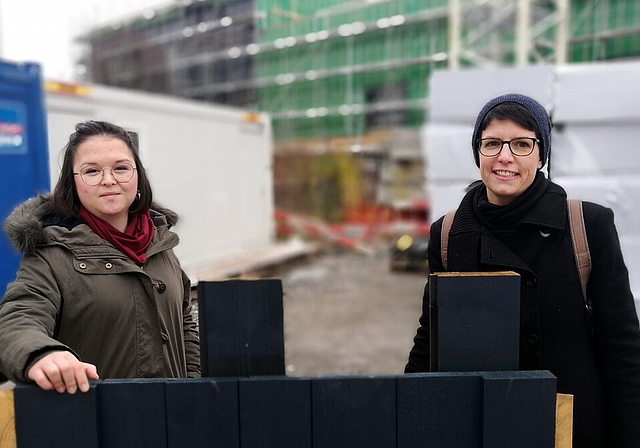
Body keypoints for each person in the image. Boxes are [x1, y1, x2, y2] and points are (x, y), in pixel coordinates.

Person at [405, 93, 640, 447]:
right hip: (482, 425)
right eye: (492, 143)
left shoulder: (587, 225)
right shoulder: (450, 234)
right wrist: (407, 416)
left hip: (571, 429)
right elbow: (431, 338)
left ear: (541, 154)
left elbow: (623, 350)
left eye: (521, 144)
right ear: (478, 154)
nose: (505, 156)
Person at [0, 120, 200, 394]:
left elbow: (184, 320)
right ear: (74, 182)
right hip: (97, 426)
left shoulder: (160, 242)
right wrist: (42, 354)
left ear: (137, 175)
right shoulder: (51, 254)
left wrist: (196, 388)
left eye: (120, 168)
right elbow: (19, 317)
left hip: (174, 425)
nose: (109, 180)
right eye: (91, 171)